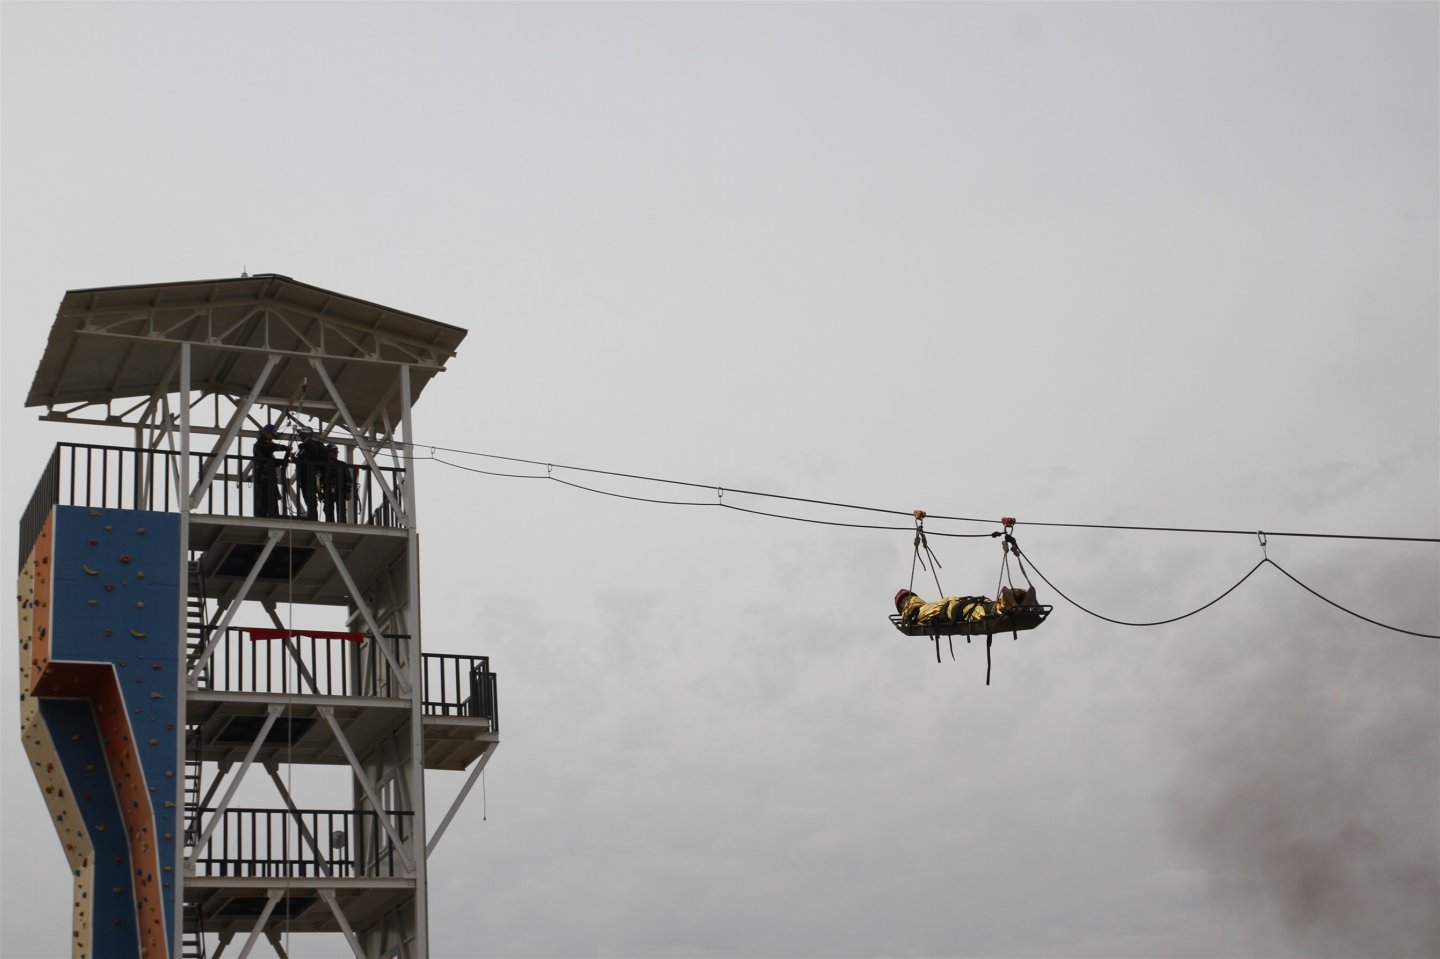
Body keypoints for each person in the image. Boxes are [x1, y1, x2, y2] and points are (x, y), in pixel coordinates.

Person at [292, 428, 327, 521]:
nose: (302, 438)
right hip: (303, 477)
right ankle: (311, 516)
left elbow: (313, 450)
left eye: (303, 435)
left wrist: (303, 441)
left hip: (312, 475)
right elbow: (301, 461)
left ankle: (313, 517)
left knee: (311, 498)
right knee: (307, 497)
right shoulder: (303, 448)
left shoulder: (313, 444)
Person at [252, 424, 285, 518]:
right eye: (271, 434)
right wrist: (284, 448)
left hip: (269, 478)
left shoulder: (266, 447)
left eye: (273, 435)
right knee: (263, 500)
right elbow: (269, 447)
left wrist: (281, 463)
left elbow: (270, 460)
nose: (272, 437)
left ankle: (273, 515)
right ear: (266, 433)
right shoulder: (259, 444)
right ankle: (263, 516)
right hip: (263, 478)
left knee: (272, 500)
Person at [322, 443, 354, 523]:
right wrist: (319, 491)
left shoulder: (342, 464)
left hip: (340, 490)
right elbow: (319, 479)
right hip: (327, 491)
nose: (336, 454)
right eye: (334, 452)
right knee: (328, 509)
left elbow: (348, 479)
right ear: (328, 453)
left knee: (341, 509)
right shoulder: (322, 465)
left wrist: (348, 491)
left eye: (336, 452)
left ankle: (342, 523)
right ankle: (330, 524)